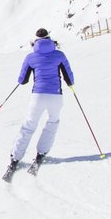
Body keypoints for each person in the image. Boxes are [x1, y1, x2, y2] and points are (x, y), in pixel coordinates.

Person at [6, 28, 74, 174]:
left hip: (38, 96)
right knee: (52, 122)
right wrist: (70, 85)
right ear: (50, 39)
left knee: (29, 126)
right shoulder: (59, 55)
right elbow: (69, 77)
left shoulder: (31, 57)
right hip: (55, 96)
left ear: (35, 41)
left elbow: (23, 80)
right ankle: (41, 153)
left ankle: (15, 158)